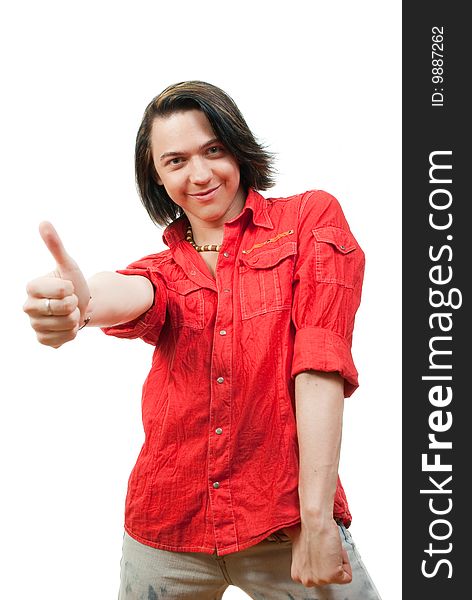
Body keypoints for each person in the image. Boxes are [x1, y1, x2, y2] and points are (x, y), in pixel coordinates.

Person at [23, 81, 382, 600]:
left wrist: (317, 518)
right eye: (175, 161)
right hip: (166, 526)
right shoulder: (165, 269)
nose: (200, 174)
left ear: (237, 145)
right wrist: (81, 306)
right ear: (157, 177)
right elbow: (127, 292)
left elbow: (319, 365)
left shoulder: (307, 221)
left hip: (286, 523)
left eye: (212, 149)